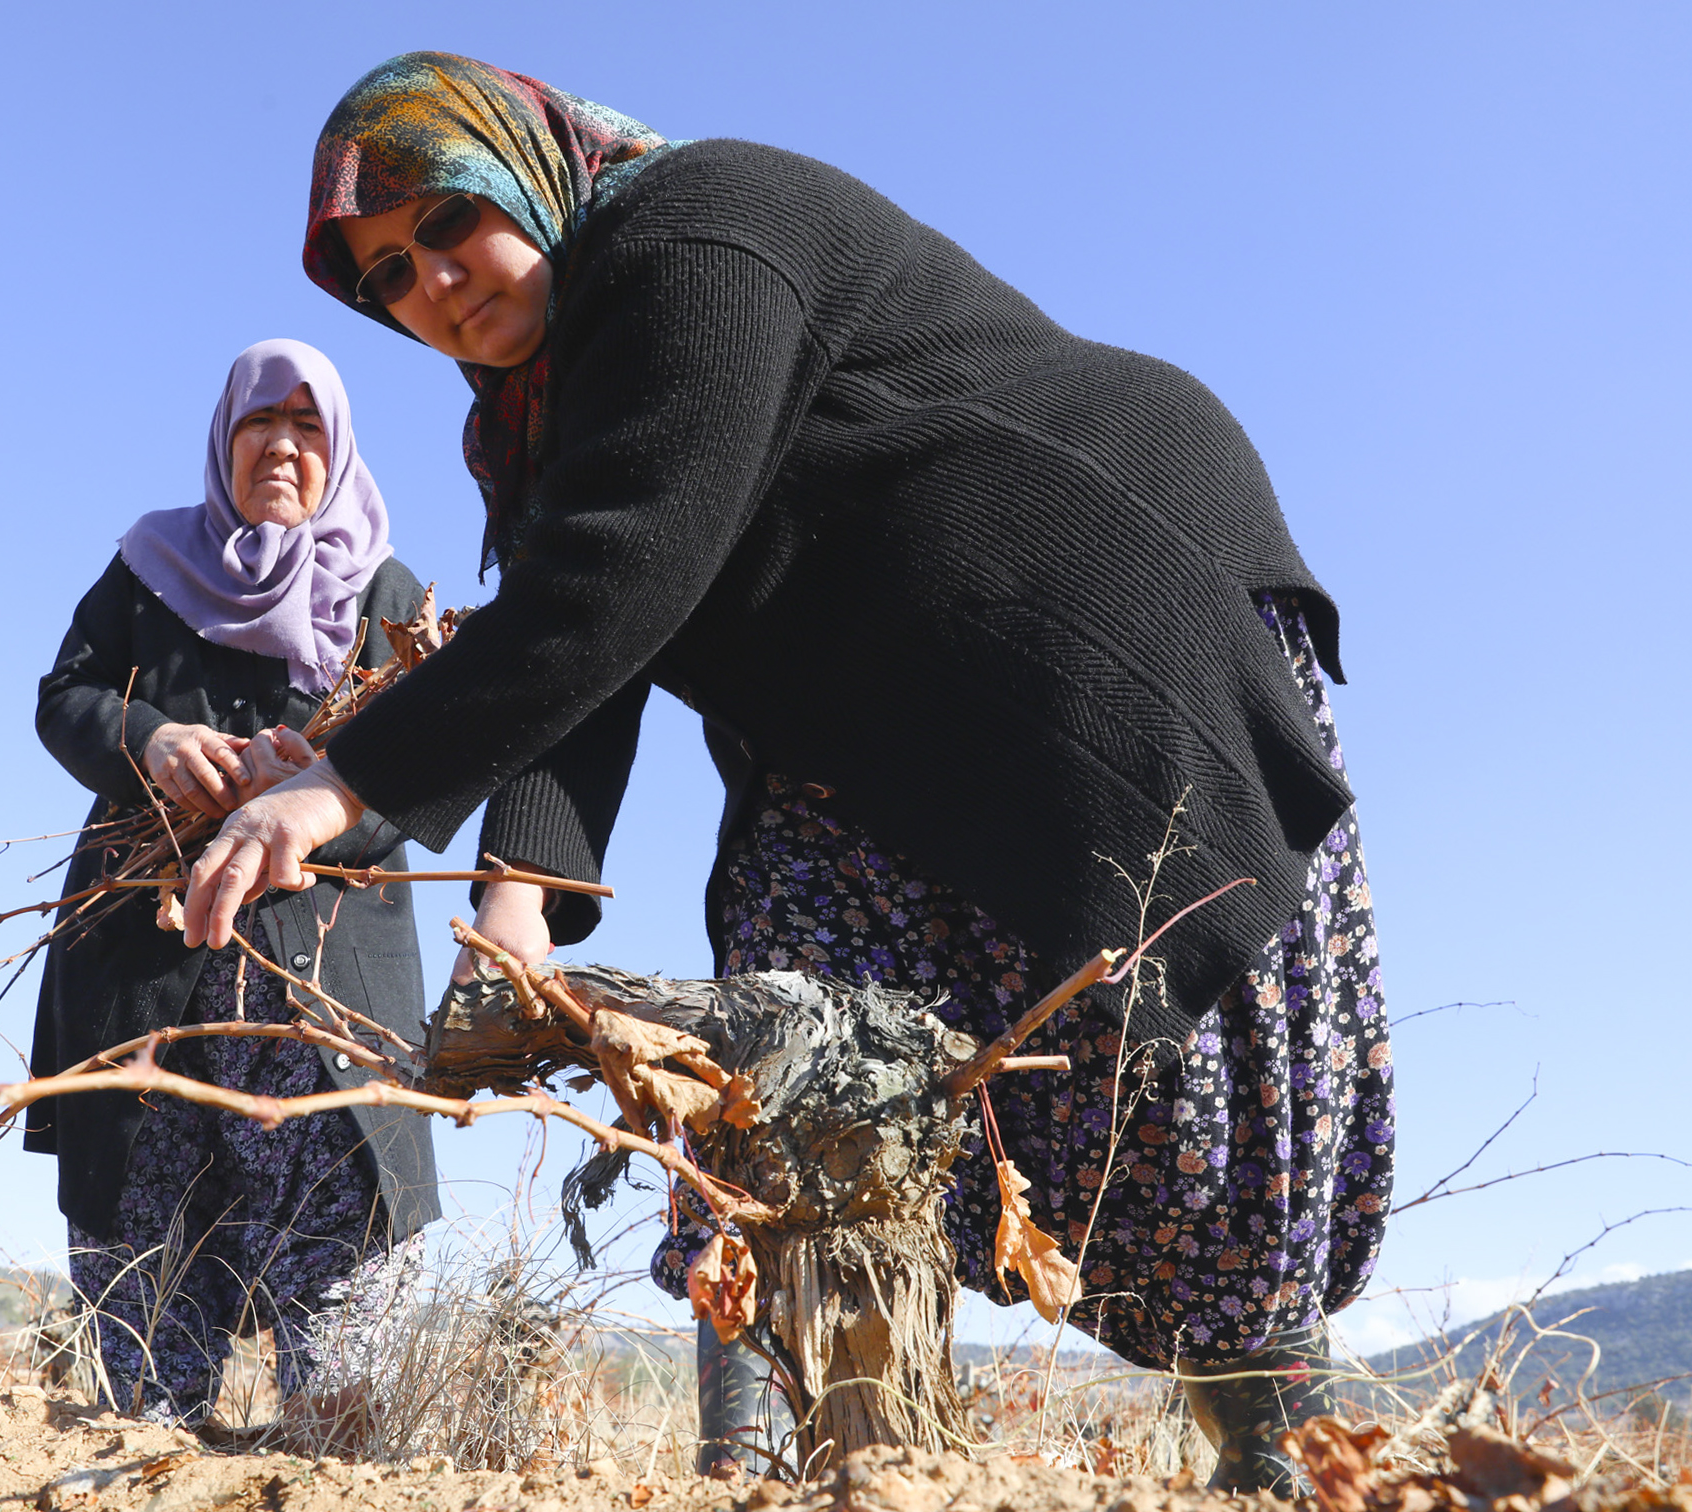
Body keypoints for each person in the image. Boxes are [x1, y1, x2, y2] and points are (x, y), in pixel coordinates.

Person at [183, 54, 1394, 1494]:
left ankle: (1291, 1462)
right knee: (781, 1065)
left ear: (522, 168)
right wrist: (514, 915)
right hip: (857, 721)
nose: (432, 285)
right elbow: (588, 661)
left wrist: (335, 783)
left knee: (1170, 1099)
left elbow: (617, 574)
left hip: (1094, 622)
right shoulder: (536, 419)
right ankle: (787, 1474)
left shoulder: (695, 230)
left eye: (448, 222)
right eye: (388, 274)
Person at [24, 339, 439, 1424]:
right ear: (225, 437)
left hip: (322, 987)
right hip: (144, 969)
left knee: (339, 1271)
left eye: (308, 426)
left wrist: (314, 806)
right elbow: (65, 698)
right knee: (145, 1269)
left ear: (338, 447)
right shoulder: (149, 569)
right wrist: (150, 739)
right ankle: (146, 1455)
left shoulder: (390, 593)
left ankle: (338, 1465)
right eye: (262, 421)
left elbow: (428, 762)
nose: (283, 446)